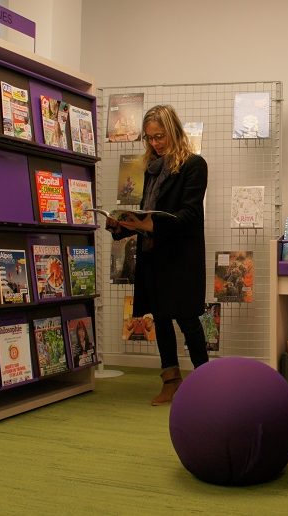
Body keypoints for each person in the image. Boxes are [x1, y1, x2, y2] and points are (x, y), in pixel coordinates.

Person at [106, 104, 209, 405]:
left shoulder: (194, 165)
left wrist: (152, 223)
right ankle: (171, 380)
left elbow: (190, 215)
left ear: (174, 131)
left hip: (181, 257)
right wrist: (120, 225)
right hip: (154, 255)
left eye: (160, 136)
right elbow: (144, 218)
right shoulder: (151, 170)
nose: (155, 143)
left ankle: (205, 382)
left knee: (188, 319)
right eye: (150, 138)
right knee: (161, 318)